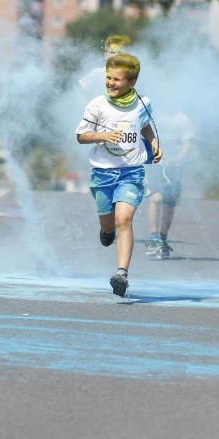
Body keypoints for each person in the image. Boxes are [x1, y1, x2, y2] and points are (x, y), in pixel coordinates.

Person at [76, 53, 162, 297]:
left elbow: (143, 124)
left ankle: (121, 273)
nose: (111, 83)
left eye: (117, 79)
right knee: (109, 223)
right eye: (108, 77)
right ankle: (107, 232)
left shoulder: (143, 103)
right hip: (103, 174)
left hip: (131, 172)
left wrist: (155, 143)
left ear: (132, 82)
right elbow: (81, 136)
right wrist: (103, 136)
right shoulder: (96, 105)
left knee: (124, 219)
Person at [144, 112, 196, 259]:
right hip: (155, 164)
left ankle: (162, 238)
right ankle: (154, 238)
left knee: (169, 204)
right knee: (156, 198)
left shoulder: (183, 118)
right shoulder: (153, 115)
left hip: (174, 168)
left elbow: (188, 142)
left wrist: (176, 159)